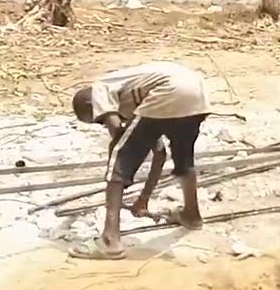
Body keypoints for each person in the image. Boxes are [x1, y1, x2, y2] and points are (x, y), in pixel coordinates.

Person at [68, 60, 210, 260]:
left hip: (170, 90)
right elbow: (159, 153)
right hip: (198, 93)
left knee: (117, 160)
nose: (102, 123)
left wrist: (119, 153)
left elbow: (117, 135)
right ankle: (191, 215)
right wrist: (143, 198)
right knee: (184, 160)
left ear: (91, 105)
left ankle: (110, 241)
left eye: (97, 119)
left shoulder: (101, 88)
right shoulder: (134, 95)